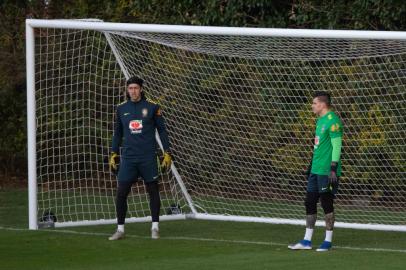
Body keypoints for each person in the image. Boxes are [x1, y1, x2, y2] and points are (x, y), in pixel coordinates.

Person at [108, 76, 172, 240]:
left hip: (148, 157)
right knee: (121, 192)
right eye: (130, 88)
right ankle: (120, 230)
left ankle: (155, 227)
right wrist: (113, 153)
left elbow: (162, 131)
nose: (133, 91)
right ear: (127, 90)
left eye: (136, 88)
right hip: (129, 158)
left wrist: (167, 152)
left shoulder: (152, 107)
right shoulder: (121, 108)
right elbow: (118, 133)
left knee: (153, 190)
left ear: (141, 89)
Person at [288, 91, 343, 252]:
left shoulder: (333, 121)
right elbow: (319, 146)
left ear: (322, 104)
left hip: (327, 170)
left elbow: (336, 146)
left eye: (314, 103)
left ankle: (328, 241)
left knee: (326, 203)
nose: (312, 106)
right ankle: (307, 240)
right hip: (316, 169)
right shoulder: (320, 121)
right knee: (309, 201)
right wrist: (310, 165)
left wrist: (333, 168)